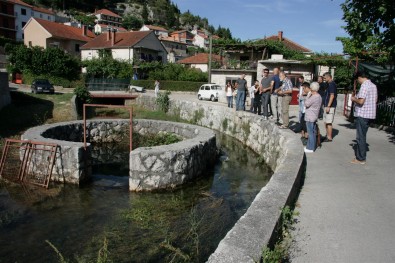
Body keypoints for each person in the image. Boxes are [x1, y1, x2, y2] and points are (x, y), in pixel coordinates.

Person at [350, 71, 378, 164]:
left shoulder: (364, 86)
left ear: (360, 77)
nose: (358, 81)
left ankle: (360, 158)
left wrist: (353, 99)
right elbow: (375, 99)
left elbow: (361, 101)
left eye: (357, 79)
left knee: (360, 137)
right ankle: (361, 157)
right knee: (363, 135)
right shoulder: (373, 85)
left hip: (363, 114)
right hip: (369, 114)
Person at [304, 82, 322, 153]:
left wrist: (308, 96)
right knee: (313, 132)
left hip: (310, 117)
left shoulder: (314, 96)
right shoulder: (319, 96)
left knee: (310, 132)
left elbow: (306, 104)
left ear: (312, 88)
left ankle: (310, 148)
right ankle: (310, 146)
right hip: (314, 116)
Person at [323, 72, 337, 142]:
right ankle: (327, 135)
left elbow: (332, 95)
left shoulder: (331, 84)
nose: (324, 79)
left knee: (328, 122)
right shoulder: (328, 84)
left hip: (330, 106)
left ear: (329, 77)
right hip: (326, 105)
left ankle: (329, 137)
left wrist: (328, 106)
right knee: (325, 121)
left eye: (325, 78)